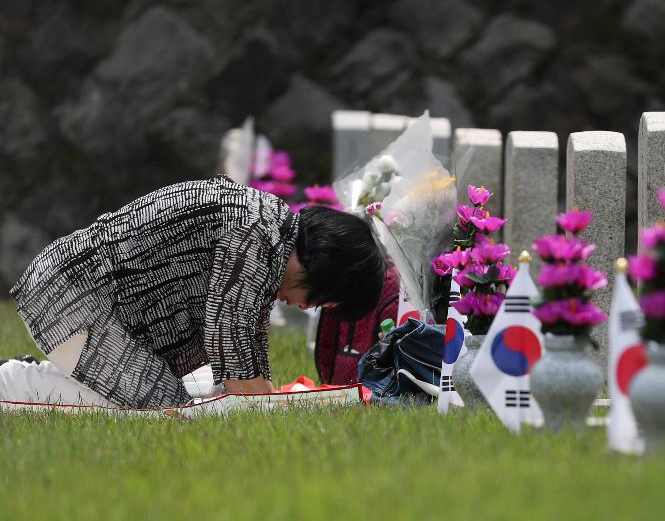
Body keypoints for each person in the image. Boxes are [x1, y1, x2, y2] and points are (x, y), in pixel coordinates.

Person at [1, 175, 384, 408]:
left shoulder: (269, 232)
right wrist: (273, 405)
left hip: (93, 302)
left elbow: (246, 354)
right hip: (72, 299)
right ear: (321, 269)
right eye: (317, 301)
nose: (304, 307)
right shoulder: (254, 235)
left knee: (189, 398)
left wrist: (268, 395)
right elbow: (230, 344)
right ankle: (11, 381)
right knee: (156, 412)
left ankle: (37, 375)